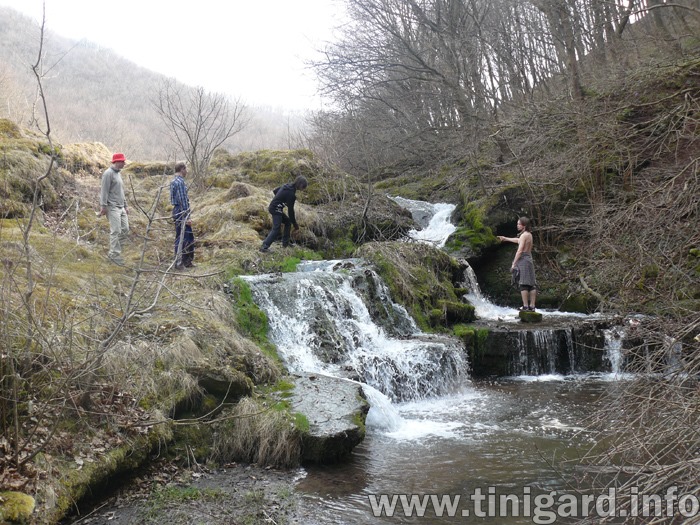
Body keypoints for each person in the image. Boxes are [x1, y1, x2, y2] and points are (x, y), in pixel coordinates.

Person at [497, 217, 537, 311]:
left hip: (523, 259)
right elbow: (518, 240)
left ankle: (525, 306)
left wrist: (514, 263)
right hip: (529, 259)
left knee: (523, 283)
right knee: (532, 283)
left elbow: (520, 250)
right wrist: (505, 238)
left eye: (519, 224)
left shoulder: (523, 236)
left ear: (524, 225)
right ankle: (532, 306)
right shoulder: (529, 234)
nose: (517, 225)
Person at [260, 175, 308, 252]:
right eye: (303, 187)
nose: (303, 189)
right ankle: (264, 247)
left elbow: (275, 191)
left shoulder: (287, 186)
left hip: (275, 207)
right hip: (275, 209)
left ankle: (285, 243)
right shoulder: (291, 194)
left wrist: (280, 199)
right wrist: (295, 224)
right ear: (300, 185)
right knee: (276, 228)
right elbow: (291, 211)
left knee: (287, 222)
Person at [100, 152, 129, 265]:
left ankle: (116, 253)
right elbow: (104, 191)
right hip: (112, 207)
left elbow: (121, 192)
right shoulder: (108, 174)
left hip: (121, 207)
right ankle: (113, 255)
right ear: (117, 162)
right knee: (116, 231)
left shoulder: (118, 174)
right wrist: (103, 206)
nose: (124, 163)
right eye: (122, 161)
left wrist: (125, 206)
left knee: (125, 229)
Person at [170, 162, 195, 270]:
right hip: (180, 212)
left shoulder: (174, 181)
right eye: (186, 169)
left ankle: (187, 261)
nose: (187, 171)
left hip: (178, 211)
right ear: (182, 169)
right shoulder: (179, 182)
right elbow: (182, 200)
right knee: (182, 237)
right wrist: (187, 216)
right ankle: (179, 263)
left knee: (188, 236)